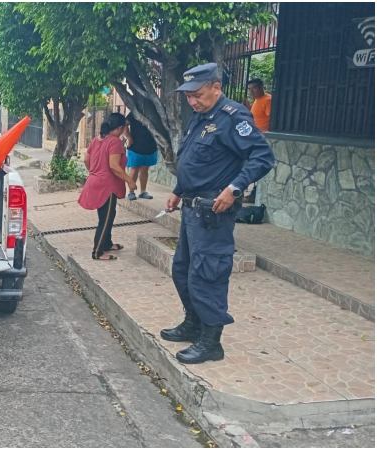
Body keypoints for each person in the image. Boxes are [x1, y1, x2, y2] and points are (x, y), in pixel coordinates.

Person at [161, 63, 274, 364]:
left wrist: (235, 188)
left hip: (213, 211)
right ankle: (193, 323)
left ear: (216, 87)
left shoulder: (233, 117)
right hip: (191, 208)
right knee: (182, 270)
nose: (192, 101)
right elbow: (195, 160)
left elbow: (262, 157)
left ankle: (211, 342)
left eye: (197, 94)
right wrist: (178, 188)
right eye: (188, 97)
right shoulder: (201, 117)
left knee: (207, 274)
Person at [77, 114, 137, 261]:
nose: (126, 130)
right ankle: (97, 252)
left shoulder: (97, 139)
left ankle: (107, 243)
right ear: (119, 128)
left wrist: (95, 171)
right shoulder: (115, 142)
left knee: (108, 215)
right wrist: (130, 181)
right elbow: (114, 166)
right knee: (105, 219)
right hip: (107, 186)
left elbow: (86, 158)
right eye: (125, 127)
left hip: (95, 182)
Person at [123, 112, 159, 201]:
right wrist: (129, 137)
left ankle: (143, 192)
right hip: (135, 146)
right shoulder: (134, 112)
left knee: (145, 169)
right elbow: (124, 125)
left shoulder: (154, 110)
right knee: (134, 169)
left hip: (150, 146)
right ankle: (131, 192)